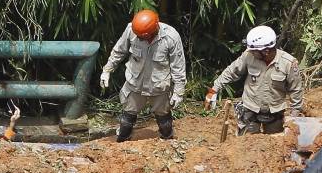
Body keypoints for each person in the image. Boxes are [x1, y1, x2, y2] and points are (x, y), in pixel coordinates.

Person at [100, 9, 188, 142]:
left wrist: (178, 92)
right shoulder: (131, 30)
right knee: (127, 118)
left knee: (164, 120)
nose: (139, 38)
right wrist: (107, 70)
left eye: (141, 37)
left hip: (159, 85)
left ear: (149, 33)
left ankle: (167, 140)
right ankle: (123, 140)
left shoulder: (171, 37)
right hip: (135, 83)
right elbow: (119, 51)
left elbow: (178, 66)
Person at [205, 26, 305, 135]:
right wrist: (213, 90)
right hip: (250, 110)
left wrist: (294, 118)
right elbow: (231, 72)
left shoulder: (288, 63)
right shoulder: (248, 56)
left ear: (266, 51)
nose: (251, 52)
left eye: (254, 51)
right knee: (246, 142)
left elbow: (296, 90)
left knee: (273, 142)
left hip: (275, 112)